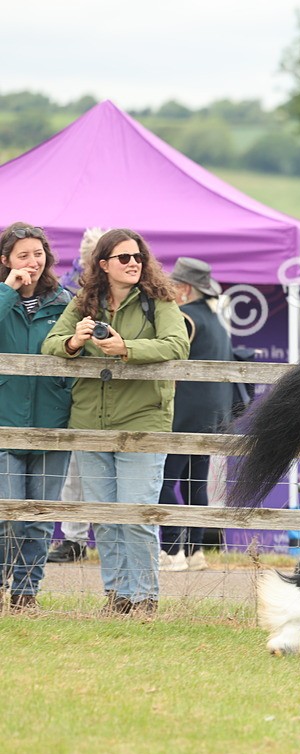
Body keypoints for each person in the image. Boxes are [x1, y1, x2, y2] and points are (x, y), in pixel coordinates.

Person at [43, 229, 190, 617]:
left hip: (143, 419)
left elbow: (178, 345)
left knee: (137, 513)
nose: (133, 263)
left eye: (138, 257)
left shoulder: (159, 300)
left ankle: (144, 598)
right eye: (123, 258)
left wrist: (127, 348)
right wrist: (74, 341)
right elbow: (51, 342)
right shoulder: (84, 301)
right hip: (90, 419)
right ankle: (117, 596)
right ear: (103, 264)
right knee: (105, 518)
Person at [0, 224, 73, 610]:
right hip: (5, 425)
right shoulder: (2, 297)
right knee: (7, 514)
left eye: (38, 253)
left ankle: (26, 593)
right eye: (22, 254)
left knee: (39, 518)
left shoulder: (65, 300)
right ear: (6, 261)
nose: (32, 261)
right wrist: (7, 290)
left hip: (52, 425)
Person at [157, 258, 234, 572]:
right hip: (213, 415)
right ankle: (194, 551)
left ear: (184, 288)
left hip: (184, 412)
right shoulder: (215, 321)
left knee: (161, 481)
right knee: (194, 484)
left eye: (173, 285)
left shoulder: (185, 318)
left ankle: (172, 550)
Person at [47, 227, 106, 565]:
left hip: (111, 397)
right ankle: (73, 538)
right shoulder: (69, 295)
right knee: (74, 472)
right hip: (72, 394)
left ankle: (107, 537)